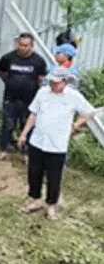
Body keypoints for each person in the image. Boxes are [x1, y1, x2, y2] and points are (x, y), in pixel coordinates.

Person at [19, 67, 94, 219]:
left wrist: (75, 125)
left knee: (54, 176)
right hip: (38, 141)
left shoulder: (74, 96)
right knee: (34, 173)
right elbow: (33, 113)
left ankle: (51, 204)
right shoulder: (43, 92)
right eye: (52, 81)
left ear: (65, 82)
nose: (53, 84)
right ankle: (35, 199)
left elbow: (88, 112)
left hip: (57, 145)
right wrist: (24, 134)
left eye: (57, 82)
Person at [0, 33, 47, 160]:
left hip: (29, 100)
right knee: (8, 124)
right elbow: (2, 73)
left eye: (26, 46)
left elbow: (41, 79)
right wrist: (11, 84)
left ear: (32, 46)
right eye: (20, 45)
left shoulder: (39, 61)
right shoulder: (7, 58)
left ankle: (26, 153)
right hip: (11, 98)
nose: (23, 48)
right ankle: (4, 150)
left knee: (27, 125)